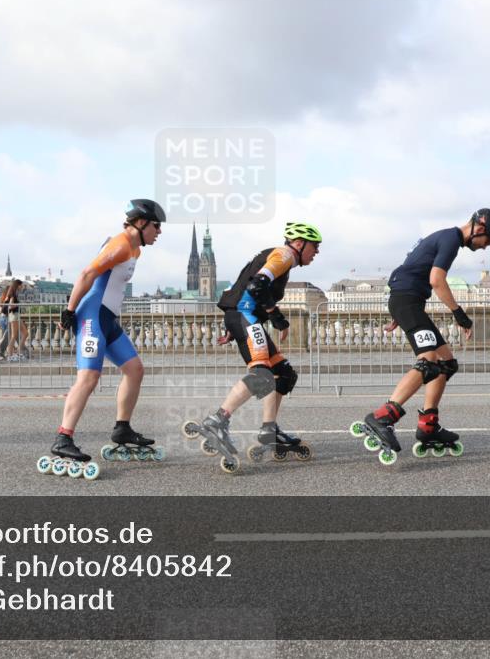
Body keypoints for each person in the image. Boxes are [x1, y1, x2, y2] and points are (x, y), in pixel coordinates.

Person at [361, 208, 490, 459]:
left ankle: (428, 425)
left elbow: (409, 266)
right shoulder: (450, 240)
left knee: (446, 364)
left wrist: (399, 310)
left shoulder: (445, 237)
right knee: (428, 361)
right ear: (479, 229)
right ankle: (382, 417)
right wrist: (459, 314)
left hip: (408, 302)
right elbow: (437, 280)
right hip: (407, 301)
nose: (484, 248)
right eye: (487, 242)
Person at [194, 222, 322, 472]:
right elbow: (257, 285)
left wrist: (234, 322)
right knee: (262, 374)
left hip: (243, 317)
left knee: (284, 374)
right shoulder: (284, 255)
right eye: (314, 247)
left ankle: (268, 428)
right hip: (246, 316)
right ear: (299, 244)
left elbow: (243, 284)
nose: (315, 253)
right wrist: (278, 318)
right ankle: (217, 419)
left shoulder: (277, 256)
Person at [48, 199, 165, 468]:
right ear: (141, 223)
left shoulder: (136, 250)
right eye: (156, 227)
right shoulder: (121, 243)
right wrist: (69, 310)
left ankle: (122, 427)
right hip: (92, 316)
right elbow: (88, 272)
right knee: (89, 377)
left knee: (135, 369)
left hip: (108, 319)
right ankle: (63, 438)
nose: (159, 233)